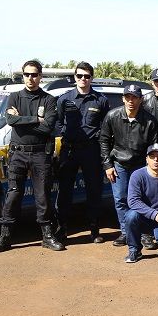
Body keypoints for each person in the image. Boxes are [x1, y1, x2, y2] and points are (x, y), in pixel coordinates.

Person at [0, 59, 62, 253]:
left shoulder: (48, 99)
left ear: (40, 76)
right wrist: (35, 119)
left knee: (43, 196)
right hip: (18, 154)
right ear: (23, 76)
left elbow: (48, 127)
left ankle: (47, 235)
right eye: (27, 74)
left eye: (34, 74)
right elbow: (10, 120)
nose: (30, 78)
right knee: (13, 194)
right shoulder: (14, 97)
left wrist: (23, 121)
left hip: (41, 154)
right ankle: (5, 236)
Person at [54, 61, 110, 243]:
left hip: (91, 151)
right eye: (79, 76)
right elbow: (58, 122)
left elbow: (106, 127)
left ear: (91, 78)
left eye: (86, 76)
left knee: (94, 190)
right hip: (69, 150)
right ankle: (61, 230)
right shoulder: (64, 99)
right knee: (65, 191)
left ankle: (94, 230)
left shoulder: (100, 100)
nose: (83, 79)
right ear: (75, 77)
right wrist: (66, 133)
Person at [100, 83, 158, 247]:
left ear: (141, 100)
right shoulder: (112, 115)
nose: (131, 101)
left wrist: (151, 167)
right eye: (128, 97)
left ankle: (146, 234)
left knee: (145, 200)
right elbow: (104, 140)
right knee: (121, 199)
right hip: (119, 164)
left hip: (141, 166)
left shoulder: (149, 121)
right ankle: (126, 233)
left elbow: (154, 146)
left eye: (134, 97)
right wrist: (107, 165)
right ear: (123, 99)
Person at [123, 143, 158, 263]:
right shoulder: (137, 175)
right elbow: (133, 201)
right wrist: (154, 214)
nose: (156, 159)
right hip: (144, 218)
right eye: (152, 156)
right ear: (146, 159)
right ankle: (134, 250)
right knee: (130, 216)